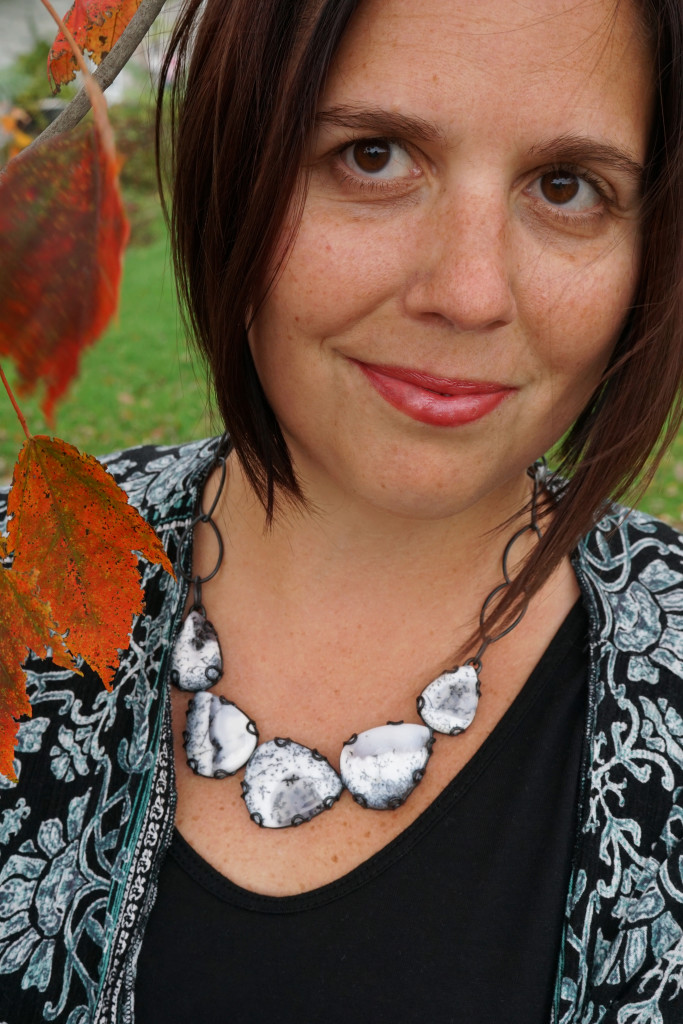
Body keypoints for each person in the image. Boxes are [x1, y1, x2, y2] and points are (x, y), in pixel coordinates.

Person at [2, 0, 683, 1020]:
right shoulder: (24, 576)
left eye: (563, 185)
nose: (467, 290)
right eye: (371, 156)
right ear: (236, 162)